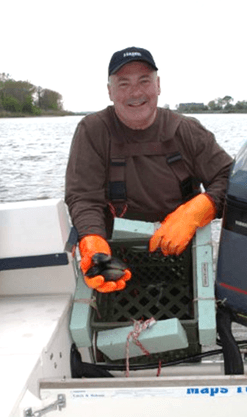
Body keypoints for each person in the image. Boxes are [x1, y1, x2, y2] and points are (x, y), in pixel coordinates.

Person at [65, 46, 233, 293]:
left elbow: (236, 179)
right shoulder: (92, 130)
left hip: (181, 252)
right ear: (110, 92)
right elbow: (83, 197)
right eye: (123, 84)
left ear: (158, 86)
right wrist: (92, 241)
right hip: (116, 256)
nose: (135, 92)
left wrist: (199, 209)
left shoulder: (186, 130)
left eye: (144, 81)